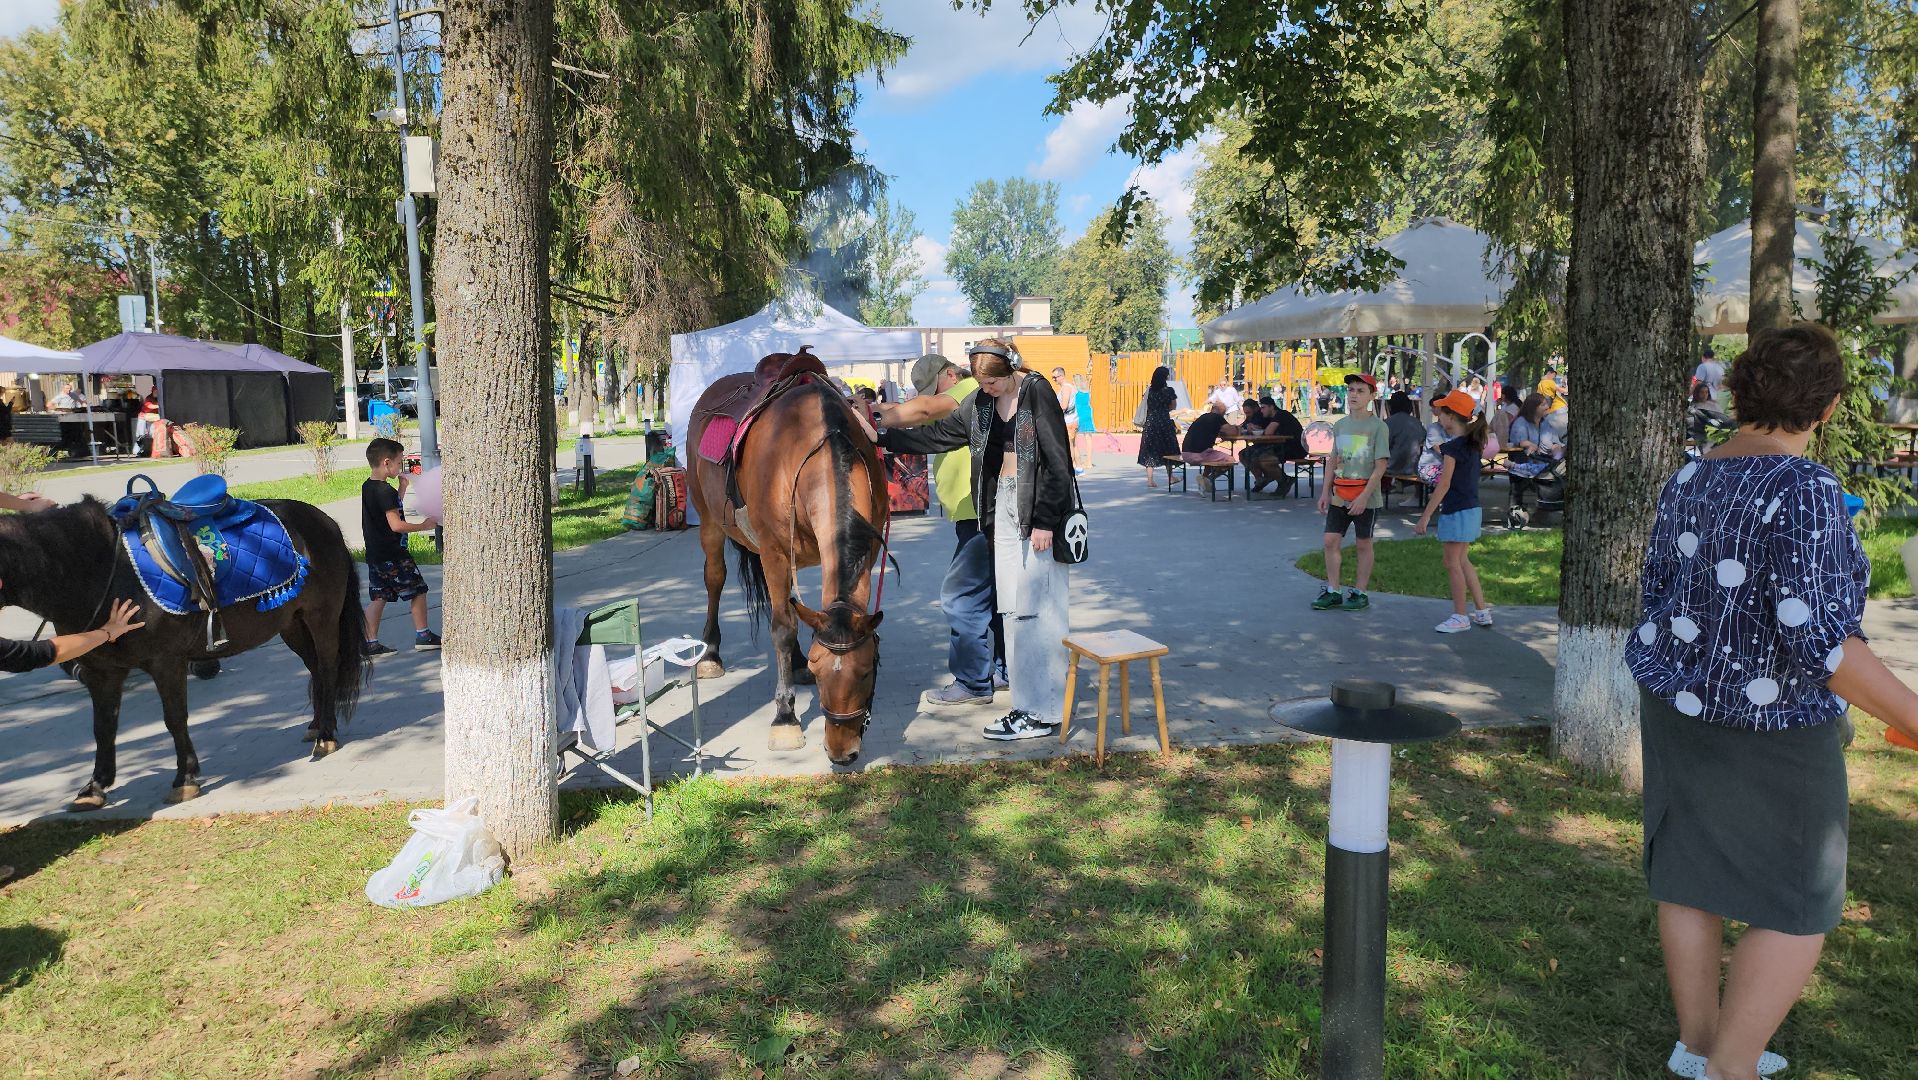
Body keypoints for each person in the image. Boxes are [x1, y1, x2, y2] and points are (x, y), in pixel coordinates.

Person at [1626, 324, 1918, 1080]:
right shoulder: (1807, 487)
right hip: (1772, 724)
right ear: (1827, 407)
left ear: (1742, 392)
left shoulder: (1690, 476)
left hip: (1677, 704)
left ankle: (1698, 1049)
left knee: (1689, 872)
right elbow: (1820, 642)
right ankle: (1731, 1067)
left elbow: (1661, 593)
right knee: (1798, 901)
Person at [882, 339, 1074, 742]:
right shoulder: (983, 402)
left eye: (991, 381)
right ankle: (1026, 703)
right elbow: (940, 436)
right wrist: (881, 437)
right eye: (981, 381)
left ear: (1009, 370)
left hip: (1034, 511)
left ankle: (1042, 710)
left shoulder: (1035, 391)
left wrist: (1044, 520)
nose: (984, 388)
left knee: (1037, 610)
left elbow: (1058, 460)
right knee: (1010, 610)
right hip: (999, 510)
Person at [875, 354, 1006, 706]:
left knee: (961, 598)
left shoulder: (966, 389)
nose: (934, 398)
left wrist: (874, 422)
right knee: (991, 596)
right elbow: (920, 409)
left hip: (978, 511)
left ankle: (974, 682)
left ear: (950, 373)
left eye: (936, 389)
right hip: (976, 512)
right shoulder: (969, 397)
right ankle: (1003, 668)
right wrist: (877, 409)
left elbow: (923, 411)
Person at [1414, 390, 1493, 632]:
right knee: (1462, 560)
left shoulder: (1453, 448)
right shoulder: (1472, 444)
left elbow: (1444, 484)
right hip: (1471, 509)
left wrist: (1426, 515)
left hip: (1456, 510)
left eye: (1442, 412)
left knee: (1451, 562)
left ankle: (1460, 616)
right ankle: (1481, 611)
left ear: (1451, 416)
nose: (1438, 416)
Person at [1314, 373, 1390, 611]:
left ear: (1371, 396)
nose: (1354, 395)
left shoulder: (1378, 426)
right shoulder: (1340, 425)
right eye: (1351, 390)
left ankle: (1360, 592)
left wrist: (1364, 497)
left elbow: (1381, 466)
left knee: (1363, 544)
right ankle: (1333, 589)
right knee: (1330, 540)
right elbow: (1333, 460)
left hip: (1365, 495)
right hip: (1340, 492)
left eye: (1360, 390)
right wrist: (1325, 492)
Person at [361, 438, 440, 656]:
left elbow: (388, 508)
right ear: (387, 463)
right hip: (394, 554)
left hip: (376, 554)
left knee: (379, 596)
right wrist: (422, 525)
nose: (401, 466)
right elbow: (395, 525)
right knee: (418, 590)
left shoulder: (369, 487)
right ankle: (423, 635)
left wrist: (401, 489)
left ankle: (370, 642)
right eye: (399, 462)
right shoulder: (384, 492)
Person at [1135, 365, 1181, 487]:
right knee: (1168, 448)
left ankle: (1150, 480)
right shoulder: (1168, 391)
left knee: (1149, 450)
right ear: (1165, 378)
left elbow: (1147, 405)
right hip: (1164, 422)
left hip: (1150, 423)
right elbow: (1173, 407)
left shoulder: (1149, 391)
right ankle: (1171, 477)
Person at [1180, 400, 1240, 466]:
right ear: (1222, 411)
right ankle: (1209, 476)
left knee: (1212, 454)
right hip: (1199, 455)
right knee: (1231, 460)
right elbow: (1232, 432)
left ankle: (1204, 476)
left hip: (1186, 454)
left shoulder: (1203, 417)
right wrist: (1237, 428)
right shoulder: (1217, 417)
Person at [1508, 392, 1563, 459]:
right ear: (1533, 408)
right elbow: (1519, 442)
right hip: (1526, 464)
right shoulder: (1521, 422)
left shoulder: (1545, 422)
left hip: (1546, 463)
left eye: (1547, 404)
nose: (1547, 407)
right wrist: (1530, 445)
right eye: (1543, 405)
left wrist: (1557, 452)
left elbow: (1554, 443)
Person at [1384, 391, 1424, 477]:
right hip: (1413, 468)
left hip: (1391, 469)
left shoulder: (1389, 423)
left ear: (1391, 406)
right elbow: (1422, 439)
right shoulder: (1416, 422)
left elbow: (1382, 447)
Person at [1052, 367, 1083, 474]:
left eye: (1055, 377)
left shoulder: (1066, 388)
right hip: (1073, 419)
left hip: (1068, 420)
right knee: (1074, 445)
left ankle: (1070, 468)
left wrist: (1052, 410)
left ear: (1062, 376)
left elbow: (1064, 405)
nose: (1054, 380)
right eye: (1053, 378)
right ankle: (1079, 467)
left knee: (1069, 445)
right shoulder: (1069, 386)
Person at [1688, 382, 1733, 450]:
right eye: (1702, 392)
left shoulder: (1713, 405)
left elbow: (1722, 416)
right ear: (1697, 393)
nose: (1704, 395)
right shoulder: (1693, 406)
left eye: (1706, 392)